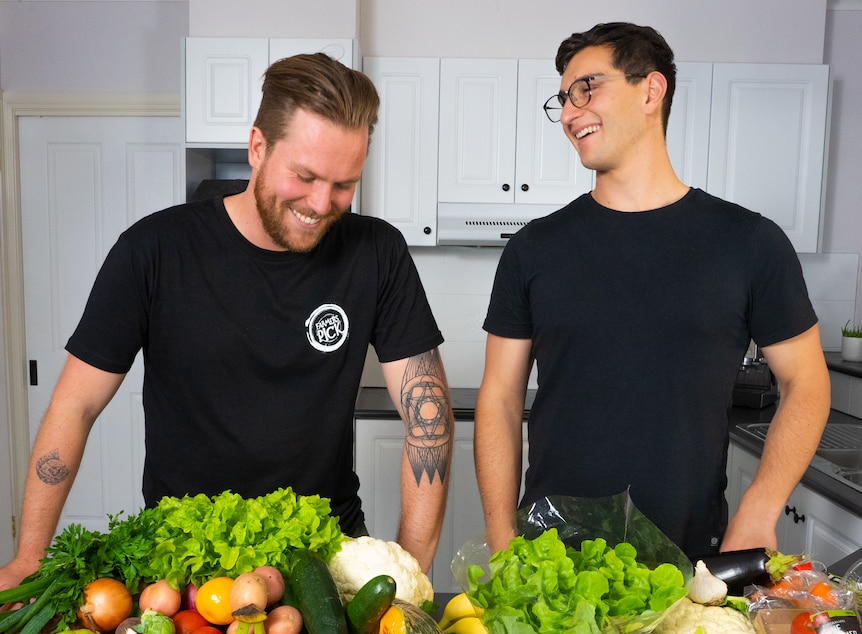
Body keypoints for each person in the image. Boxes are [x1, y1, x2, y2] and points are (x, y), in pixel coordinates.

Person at [0, 53, 453, 591]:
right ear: (257, 147)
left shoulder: (377, 252)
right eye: (304, 177)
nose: (321, 203)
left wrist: (410, 575)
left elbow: (429, 420)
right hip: (183, 563)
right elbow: (75, 406)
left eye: (343, 184)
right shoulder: (153, 251)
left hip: (323, 563)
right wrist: (29, 556)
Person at [474, 22, 830, 558]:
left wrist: (760, 509)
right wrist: (502, 535)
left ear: (651, 90)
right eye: (563, 99)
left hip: (691, 557)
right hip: (550, 562)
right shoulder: (533, 249)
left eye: (586, 88)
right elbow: (499, 400)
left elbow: (807, 383)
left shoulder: (751, 243)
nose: (569, 113)